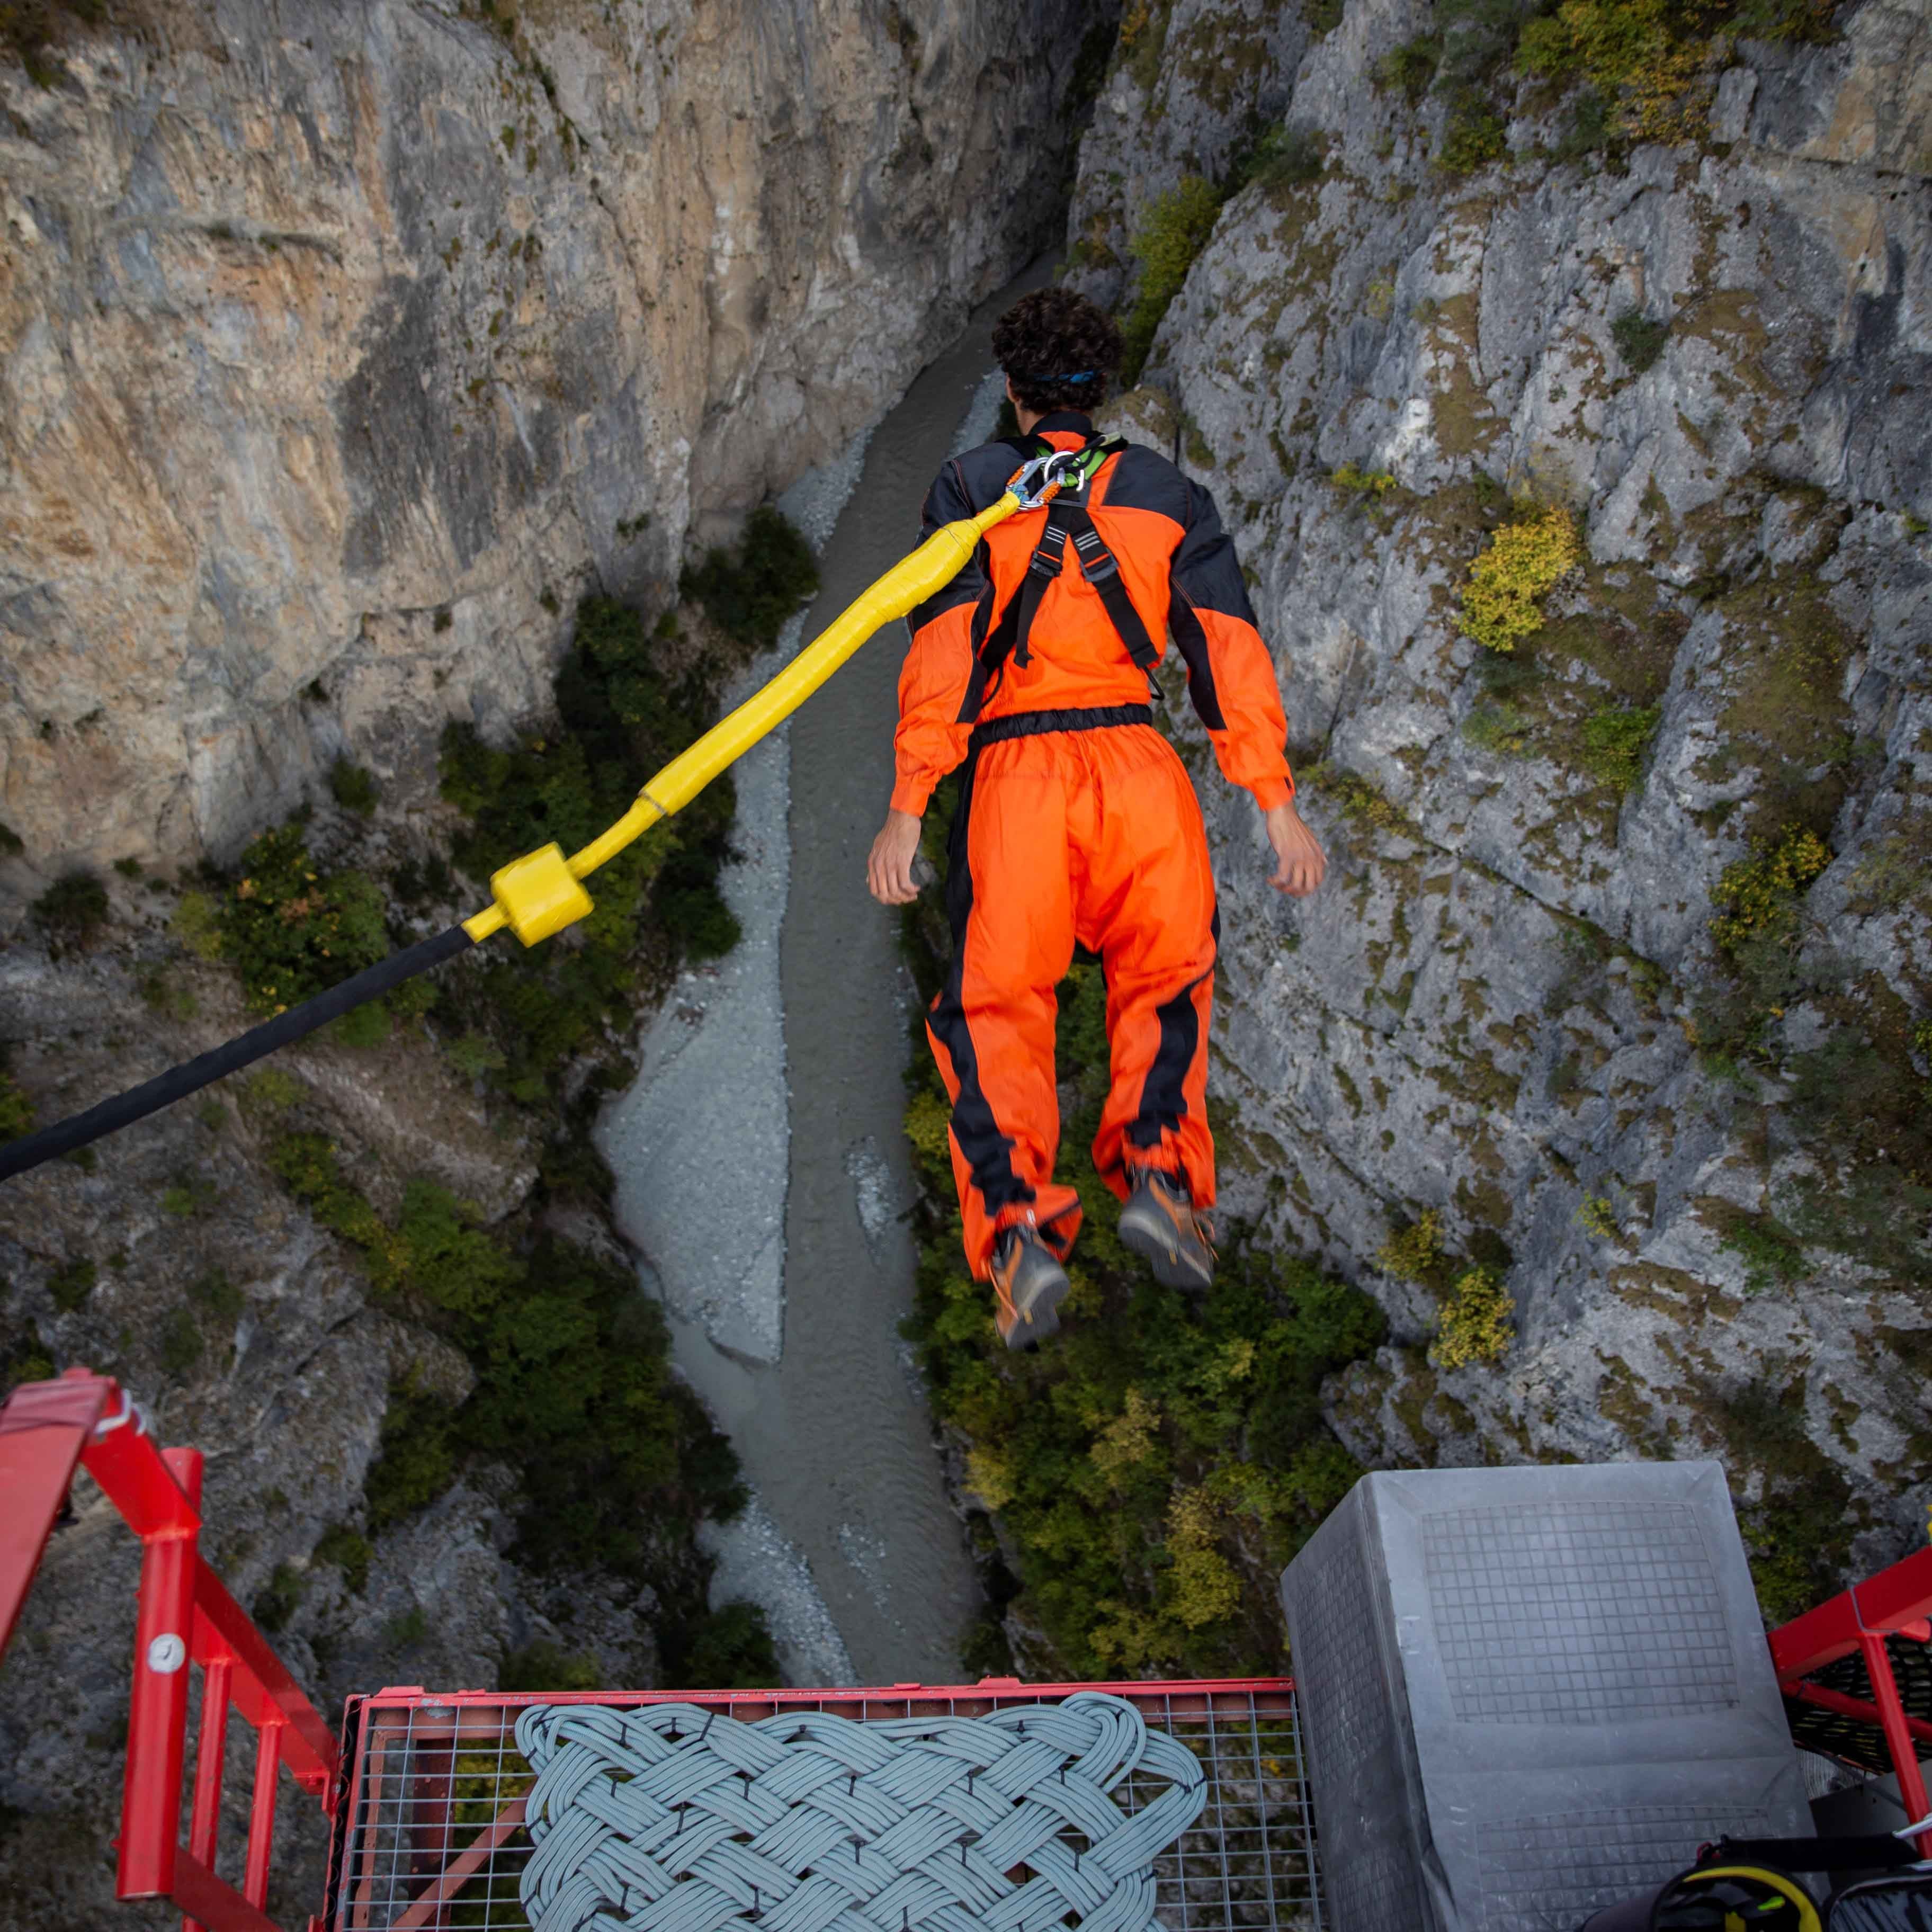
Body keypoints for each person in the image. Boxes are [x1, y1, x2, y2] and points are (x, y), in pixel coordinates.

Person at [866, 286, 1327, 1349]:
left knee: (996, 1011)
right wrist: (1276, 804)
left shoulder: (975, 487)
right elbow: (1225, 649)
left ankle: (1020, 1231)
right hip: (1141, 773)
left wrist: (906, 807)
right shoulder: (1166, 494)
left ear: (1019, 394)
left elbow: (942, 651)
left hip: (1018, 776)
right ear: (1099, 387)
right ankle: (1161, 1174)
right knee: (1164, 984)